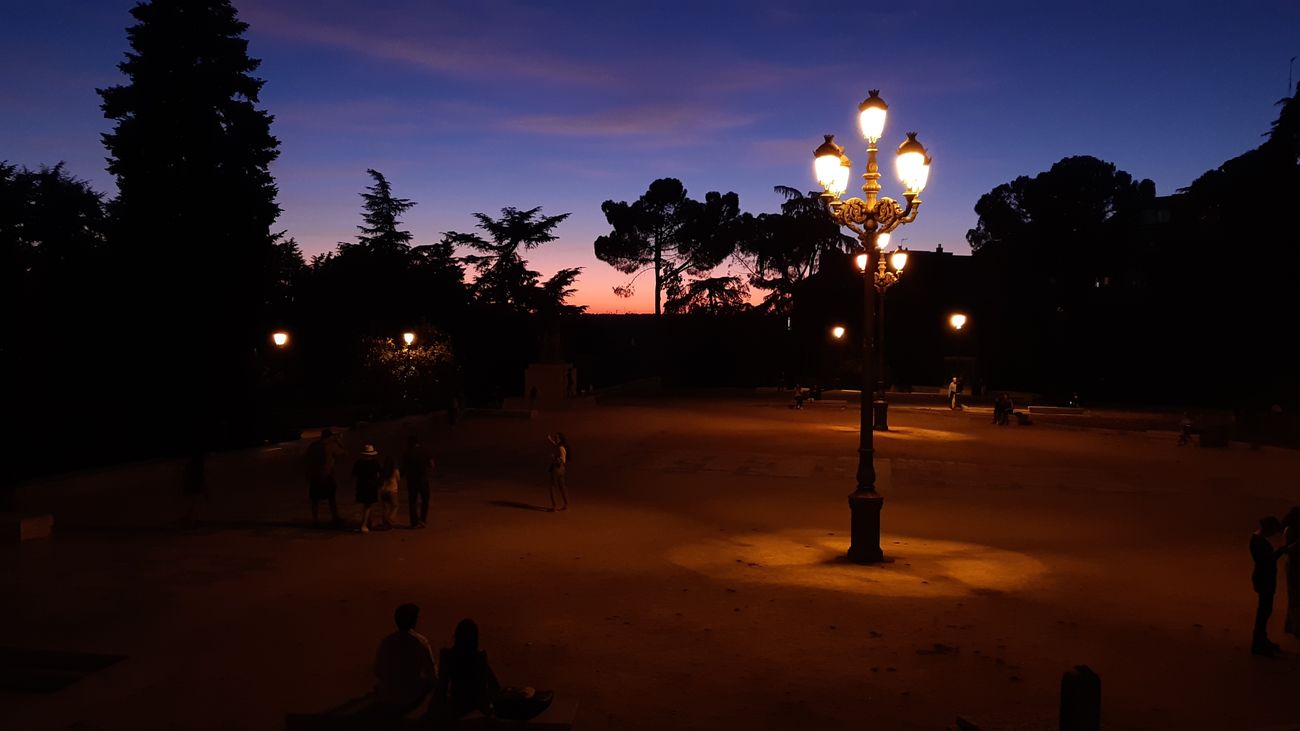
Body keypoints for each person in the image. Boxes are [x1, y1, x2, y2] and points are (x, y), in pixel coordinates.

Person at [373, 603, 437, 720]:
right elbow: (432, 674)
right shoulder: (421, 642)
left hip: (388, 696)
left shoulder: (387, 641)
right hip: (411, 696)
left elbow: (378, 671)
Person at [432, 619, 500, 720]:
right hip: (477, 704)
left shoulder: (448, 656)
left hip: (457, 703)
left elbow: (442, 686)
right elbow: (494, 685)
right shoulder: (479, 657)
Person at [1250, 516, 1291, 655]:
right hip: (1264, 578)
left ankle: (1261, 638)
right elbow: (1266, 560)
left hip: (1263, 577)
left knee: (1264, 610)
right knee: (1264, 610)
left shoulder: (1257, 539)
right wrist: (1281, 551)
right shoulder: (1258, 541)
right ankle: (1258, 641)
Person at [304, 429, 346, 526]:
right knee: (331, 497)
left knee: (315, 499)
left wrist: (308, 474)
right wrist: (339, 442)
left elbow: (306, 459)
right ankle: (335, 518)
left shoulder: (313, 445)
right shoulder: (330, 445)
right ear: (330, 437)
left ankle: (315, 520)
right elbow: (345, 453)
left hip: (314, 476)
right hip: (326, 475)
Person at [403, 434, 434, 529]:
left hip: (411, 480)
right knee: (425, 500)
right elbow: (432, 464)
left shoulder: (407, 453)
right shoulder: (425, 451)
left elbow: (404, 467)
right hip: (423, 479)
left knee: (412, 501)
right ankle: (423, 520)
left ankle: (414, 523)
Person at [353, 445, 382, 533]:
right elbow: (379, 474)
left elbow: (354, 474)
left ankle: (370, 522)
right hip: (371, 486)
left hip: (361, 485)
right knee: (368, 505)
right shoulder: (375, 463)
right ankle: (364, 524)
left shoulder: (358, 462)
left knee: (367, 505)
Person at [1284, 507, 1300, 639]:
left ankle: (1292, 626)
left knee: (1295, 596)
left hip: (1294, 565)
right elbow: (1287, 549)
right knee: (1295, 596)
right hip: (1294, 566)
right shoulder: (1290, 530)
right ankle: (1296, 629)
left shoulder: (1290, 529)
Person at [547, 432, 569, 511]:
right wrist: (550, 439)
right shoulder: (559, 446)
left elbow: (562, 460)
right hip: (562, 470)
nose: (555, 438)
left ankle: (554, 506)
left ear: (560, 439)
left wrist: (554, 459)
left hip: (557, 469)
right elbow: (555, 444)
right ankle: (566, 504)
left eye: (556, 437)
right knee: (562, 487)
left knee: (552, 486)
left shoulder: (560, 448)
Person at [379, 456, 400, 528]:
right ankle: (390, 519)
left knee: (385, 507)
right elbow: (398, 478)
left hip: (383, 490)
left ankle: (384, 522)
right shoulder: (394, 470)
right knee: (395, 506)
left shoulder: (382, 470)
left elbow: (379, 479)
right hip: (392, 490)